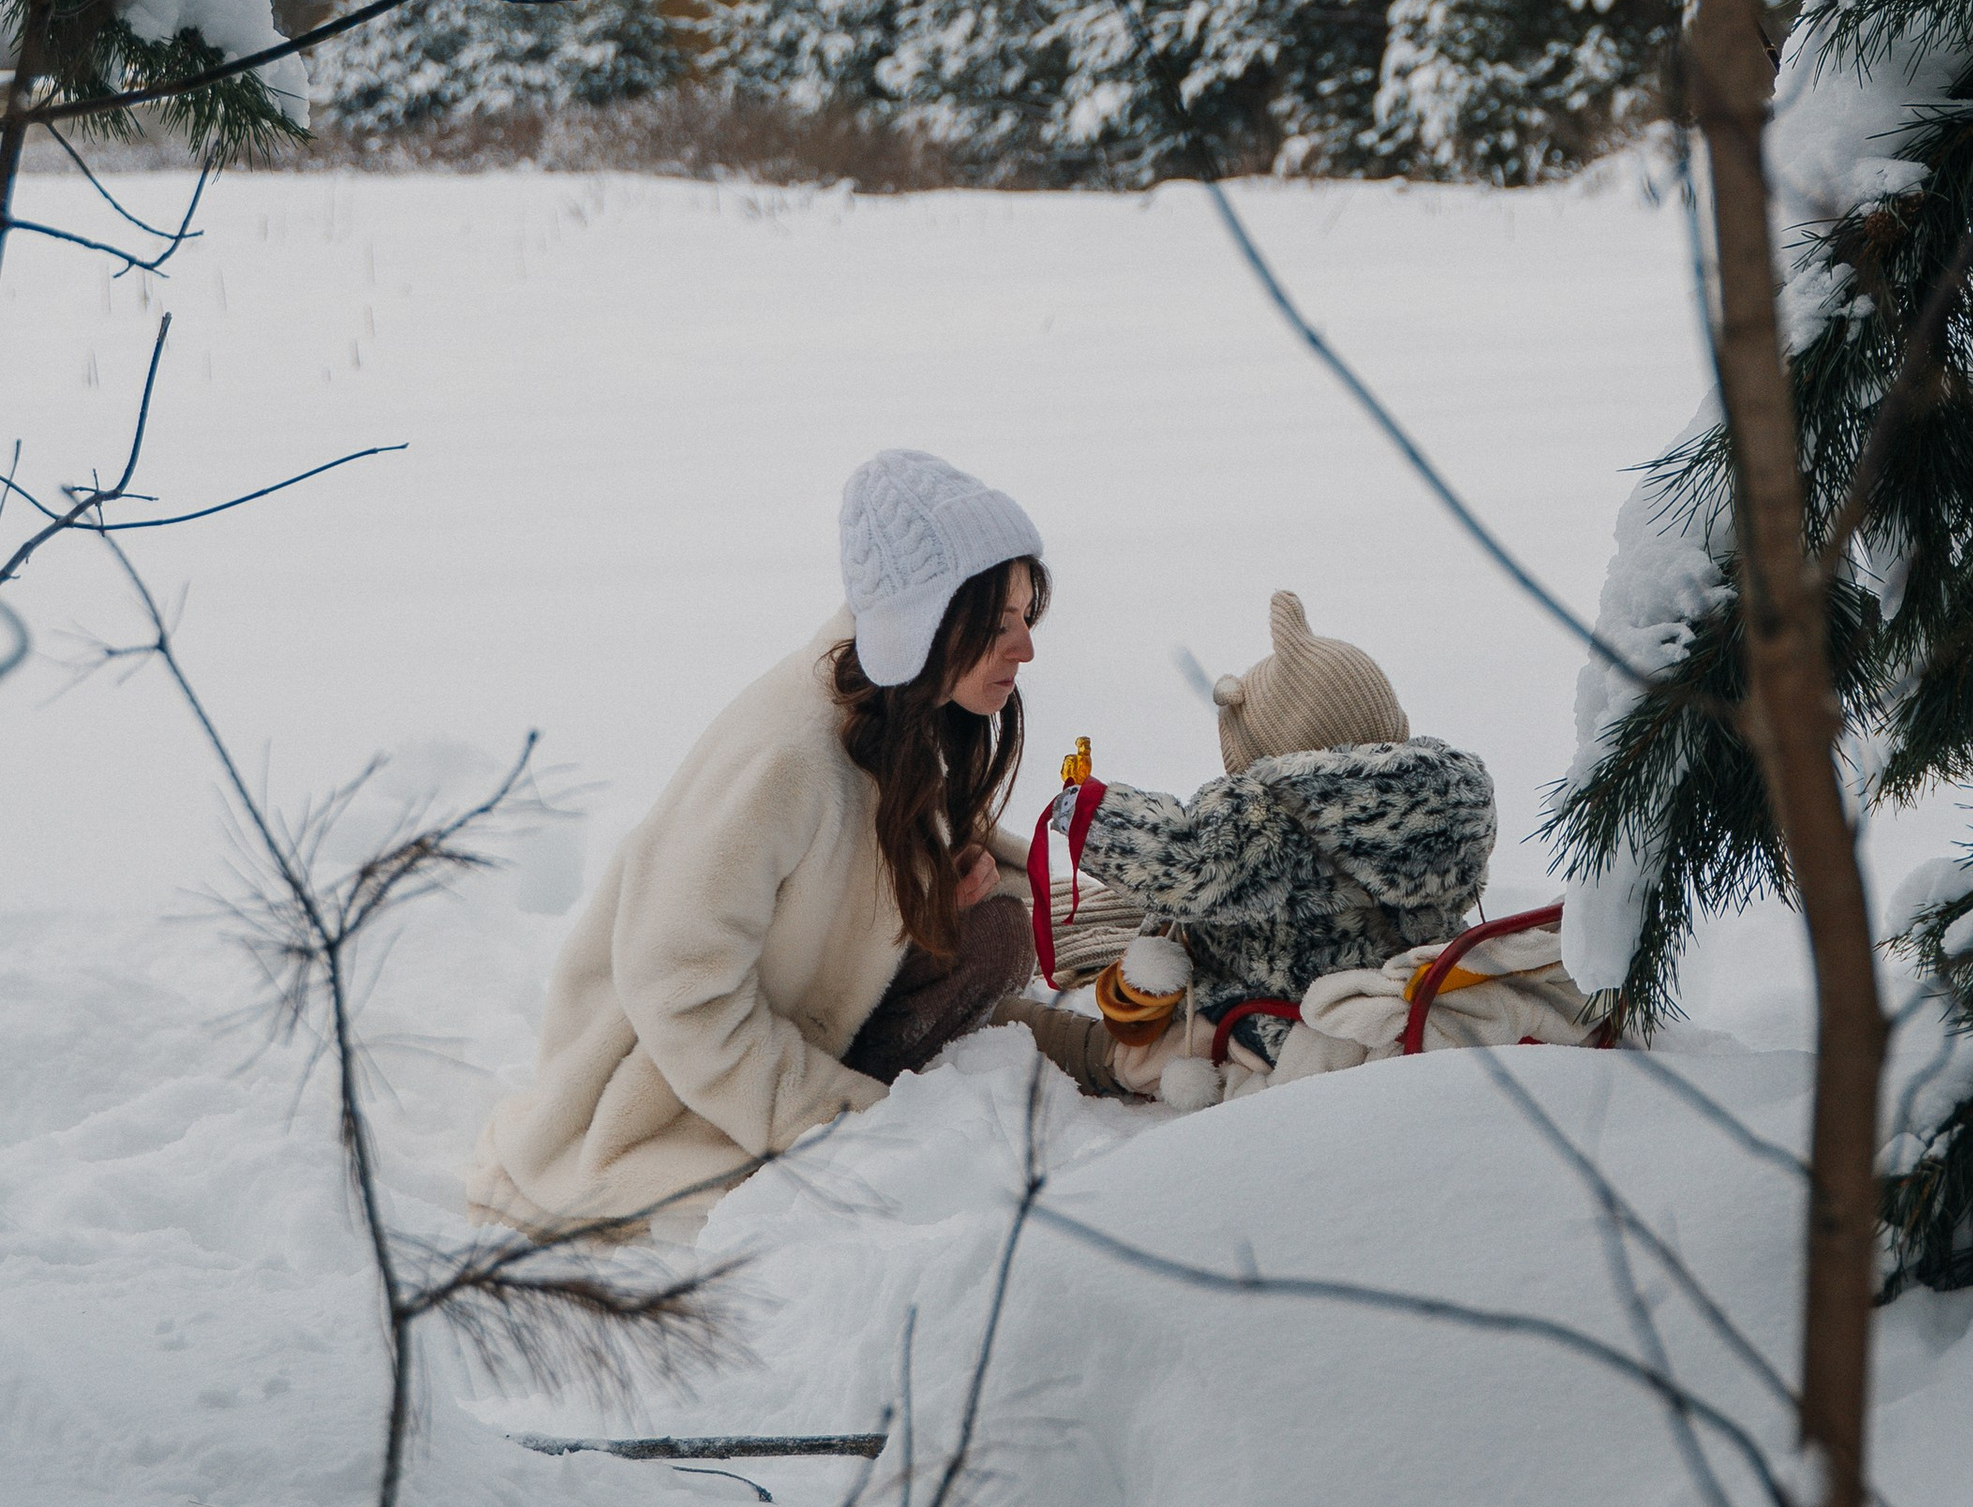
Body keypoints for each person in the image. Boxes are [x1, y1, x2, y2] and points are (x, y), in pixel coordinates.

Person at [467, 450, 1088, 1238]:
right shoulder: (785, 761)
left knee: (994, 931)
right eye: (998, 626)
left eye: (1026, 618)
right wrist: (834, 1120)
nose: (1025, 650)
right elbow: (676, 986)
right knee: (991, 939)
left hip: (793, 1017)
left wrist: (942, 876)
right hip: (665, 1081)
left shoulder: (901, 708)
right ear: (929, 622)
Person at [1049, 591, 1496, 1089]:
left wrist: (1088, 813)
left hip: (1288, 1015)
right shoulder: (1449, 796)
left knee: (1117, 1054)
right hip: (1408, 985)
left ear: (1272, 755)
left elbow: (1185, 862)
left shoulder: (1277, 813)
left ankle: (1028, 1034)